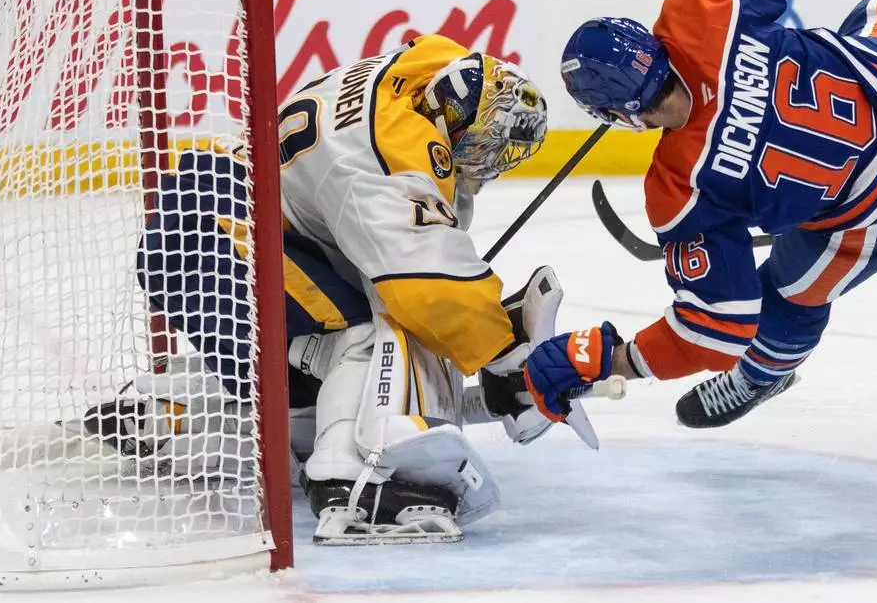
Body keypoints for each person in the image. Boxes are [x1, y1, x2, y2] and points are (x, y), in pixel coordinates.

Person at [521, 0, 877, 436]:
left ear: (620, 116)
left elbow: (716, 331)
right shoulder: (701, 6)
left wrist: (610, 358)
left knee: (795, 292)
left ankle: (763, 375)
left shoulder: (678, 188)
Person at [101, 36, 554, 543]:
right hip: (220, 236)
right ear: (454, 117)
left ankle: (178, 415)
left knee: (319, 396)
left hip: (213, 223)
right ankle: (346, 483)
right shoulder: (395, 151)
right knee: (364, 338)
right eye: (482, 145)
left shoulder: (412, 76)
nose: (486, 161)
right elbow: (425, 287)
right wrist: (507, 356)